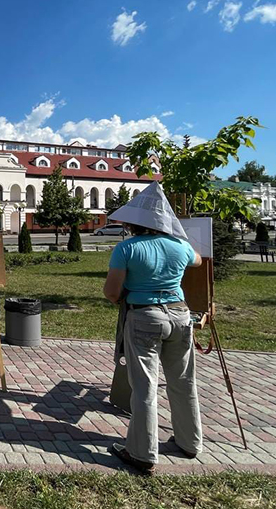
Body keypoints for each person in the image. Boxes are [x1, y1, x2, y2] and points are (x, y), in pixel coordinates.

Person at [103, 182, 203, 474]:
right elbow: (198, 260)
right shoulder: (181, 246)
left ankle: (143, 452)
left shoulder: (126, 248)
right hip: (180, 315)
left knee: (144, 386)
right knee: (183, 381)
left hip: (144, 316)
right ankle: (189, 442)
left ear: (134, 222)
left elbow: (112, 291)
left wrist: (125, 297)